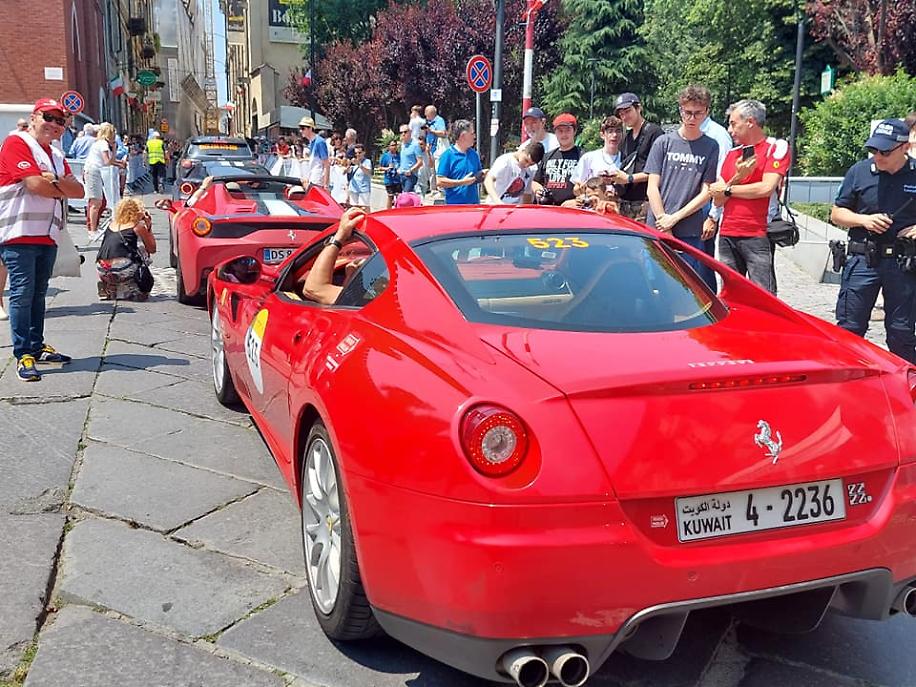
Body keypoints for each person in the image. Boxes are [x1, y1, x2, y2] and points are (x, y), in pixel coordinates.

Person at [0, 98, 84, 382]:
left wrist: (51, 180)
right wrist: (55, 184)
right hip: (18, 231)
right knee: (22, 293)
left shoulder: (57, 155)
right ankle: (23, 352)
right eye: (49, 117)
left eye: (61, 121)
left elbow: (80, 191)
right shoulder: (17, 143)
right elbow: (34, 185)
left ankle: (35, 345)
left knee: (38, 293)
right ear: (34, 117)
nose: (55, 124)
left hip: (47, 234)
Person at [830, 118, 916, 363]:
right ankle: (847, 382)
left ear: (905, 148)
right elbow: (837, 213)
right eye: (874, 149)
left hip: (902, 264)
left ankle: (907, 390)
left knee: (901, 333)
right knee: (850, 328)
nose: (878, 156)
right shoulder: (859, 171)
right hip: (863, 259)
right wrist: (863, 220)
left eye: (885, 151)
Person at [709, 99, 790, 294]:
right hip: (728, 233)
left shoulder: (775, 147)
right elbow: (717, 198)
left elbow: (765, 188)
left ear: (750, 122)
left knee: (763, 294)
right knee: (730, 294)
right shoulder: (732, 154)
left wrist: (728, 189)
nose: (730, 129)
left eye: (733, 123)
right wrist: (737, 180)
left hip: (757, 233)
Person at [645, 85, 721, 290]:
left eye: (698, 113)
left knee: (686, 287)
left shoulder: (711, 146)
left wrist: (676, 217)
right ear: (680, 111)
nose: (692, 118)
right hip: (658, 226)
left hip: (689, 228)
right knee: (655, 284)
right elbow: (652, 186)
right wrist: (664, 221)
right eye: (688, 112)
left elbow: (707, 191)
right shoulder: (663, 142)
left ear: (706, 112)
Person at [612, 93, 664, 221]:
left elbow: (659, 171)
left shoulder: (655, 132)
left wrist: (629, 178)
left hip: (645, 203)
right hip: (625, 202)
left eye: (628, 111)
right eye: (621, 114)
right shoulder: (626, 138)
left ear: (639, 108)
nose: (624, 117)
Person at [302, 207, 369, 304]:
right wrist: (350, 277)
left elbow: (313, 290)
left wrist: (340, 236)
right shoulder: (394, 296)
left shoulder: (372, 296)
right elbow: (346, 303)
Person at [96, 197, 157, 301]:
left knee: (123, 253)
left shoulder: (112, 224)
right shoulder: (138, 226)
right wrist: (149, 227)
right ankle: (131, 284)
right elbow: (152, 249)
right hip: (123, 268)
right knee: (142, 250)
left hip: (101, 266)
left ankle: (109, 285)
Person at [84, 122, 125, 237]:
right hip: (94, 171)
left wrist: (115, 151)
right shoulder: (102, 144)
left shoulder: (102, 143)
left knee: (98, 201)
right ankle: (92, 230)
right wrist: (119, 163)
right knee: (95, 202)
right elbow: (107, 161)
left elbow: (110, 160)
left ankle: (93, 228)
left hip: (97, 171)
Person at [532, 113, 581, 206]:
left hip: (573, 211)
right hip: (549, 209)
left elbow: (593, 186)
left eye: (567, 130)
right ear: (555, 133)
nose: (564, 134)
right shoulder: (547, 156)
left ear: (574, 131)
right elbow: (535, 181)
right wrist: (538, 190)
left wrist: (577, 201)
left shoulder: (583, 156)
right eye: (560, 131)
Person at [437, 119, 486, 205]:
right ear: (463, 136)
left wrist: (484, 174)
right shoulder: (448, 155)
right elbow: (440, 181)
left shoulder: (473, 154)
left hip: (473, 207)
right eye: (472, 134)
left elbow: (475, 177)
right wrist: (462, 182)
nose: (474, 136)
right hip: (455, 207)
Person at [574, 115, 623, 182]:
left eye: (618, 131)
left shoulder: (626, 159)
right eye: (610, 131)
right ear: (602, 135)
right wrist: (597, 180)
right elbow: (576, 188)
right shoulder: (589, 158)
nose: (615, 135)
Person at [299, 116, 330, 189]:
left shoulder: (320, 142)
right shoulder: (311, 142)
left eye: (303, 128)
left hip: (318, 181)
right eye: (300, 128)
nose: (301, 131)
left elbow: (326, 164)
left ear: (310, 128)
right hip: (313, 178)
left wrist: (326, 185)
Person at [425, 105, 447, 194]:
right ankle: (433, 189)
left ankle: (441, 190)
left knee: (439, 169)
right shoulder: (428, 122)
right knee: (431, 171)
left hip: (438, 149)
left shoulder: (439, 121)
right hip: (430, 149)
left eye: (426, 113)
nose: (425, 115)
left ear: (431, 113)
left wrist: (432, 131)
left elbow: (443, 133)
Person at [397, 124, 423, 194]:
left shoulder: (415, 145)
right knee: (401, 197)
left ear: (410, 132)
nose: (403, 134)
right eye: (401, 132)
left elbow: (420, 162)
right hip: (401, 174)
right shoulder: (402, 145)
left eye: (405, 132)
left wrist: (410, 170)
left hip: (411, 176)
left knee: (406, 196)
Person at [347, 144, 372, 211]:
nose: (357, 155)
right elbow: (348, 173)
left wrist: (359, 165)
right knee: (354, 209)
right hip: (353, 189)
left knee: (364, 209)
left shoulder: (367, 162)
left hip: (363, 189)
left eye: (359, 153)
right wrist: (347, 167)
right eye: (356, 153)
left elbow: (369, 173)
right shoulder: (353, 162)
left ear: (364, 152)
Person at [379, 140, 401, 210]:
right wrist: (387, 168)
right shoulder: (385, 156)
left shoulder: (399, 155)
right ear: (389, 147)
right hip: (389, 180)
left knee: (399, 196)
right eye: (392, 145)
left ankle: (398, 210)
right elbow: (380, 168)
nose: (394, 147)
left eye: (395, 145)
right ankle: (388, 211)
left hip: (398, 180)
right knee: (390, 196)